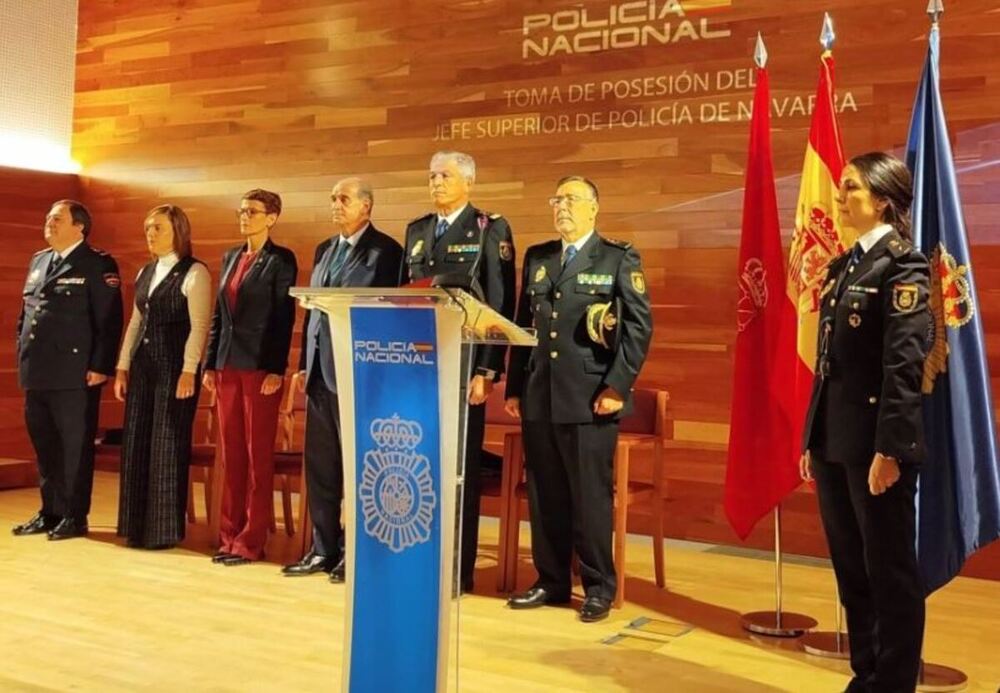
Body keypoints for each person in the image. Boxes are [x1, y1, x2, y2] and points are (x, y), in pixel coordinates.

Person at [799, 152, 930, 692]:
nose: (839, 194)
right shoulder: (845, 265)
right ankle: (867, 673)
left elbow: (904, 365)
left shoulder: (903, 265)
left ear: (880, 199)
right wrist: (813, 436)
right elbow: (828, 365)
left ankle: (894, 682)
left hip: (876, 443)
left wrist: (890, 449)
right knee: (851, 569)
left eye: (849, 186)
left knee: (889, 572)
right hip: (835, 438)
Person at [504, 176, 652, 622]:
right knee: (545, 494)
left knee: (589, 498)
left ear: (593, 208)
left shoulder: (617, 257)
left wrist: (617, 387)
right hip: (540, 396)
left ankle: (598, 587)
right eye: (556, 200)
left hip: (590, 398)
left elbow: (638, 328)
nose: (561, 207)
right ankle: (550, 580)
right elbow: (522, 325)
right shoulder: (539, 257)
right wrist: (514, 386)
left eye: (571, 200)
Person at [400, 150, 516, 592]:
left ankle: (455, 569)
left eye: (445, 175)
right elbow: (400, 295)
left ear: (469, 181)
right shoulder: (417, 230)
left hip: (465, 362)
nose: (436, 183)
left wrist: (487, 370)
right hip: (417, 363)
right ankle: (418, 558)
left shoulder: (490, 228)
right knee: (420, 463)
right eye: (431, 176)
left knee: (458, 468)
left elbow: (499, 302)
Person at [282, 177, 402, 582]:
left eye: (344, 199)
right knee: (322, 468)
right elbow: (313, 312)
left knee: (359, 469)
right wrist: (303, 363)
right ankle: (322, 548)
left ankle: (356, 554)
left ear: (366, 207)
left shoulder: (386, 251)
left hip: (360, 373)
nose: (336, 205)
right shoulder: (324, 248)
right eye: (333, 198)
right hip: (319, 370)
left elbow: (388, 313)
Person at [12, 200, 124, 540]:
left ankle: (74, 516)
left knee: (74, 447)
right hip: (38, 369)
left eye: (57, 219)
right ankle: (50, 511)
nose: (49, 223)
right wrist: (22, 351)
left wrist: (100, 365)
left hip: (76, 373)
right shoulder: (39, 260)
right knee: (45, 444)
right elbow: (26, 315)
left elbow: (109, 320)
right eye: (47, 218)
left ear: (80, 227)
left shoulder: (97, 263)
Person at [203, 189, 297, 566]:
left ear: (272, 217)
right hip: (227, 366)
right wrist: (210, 362)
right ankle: (228, 536)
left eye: (252, 211)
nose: (244, 217)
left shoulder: (280, 259)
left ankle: (251, 540)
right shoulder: (230, 256)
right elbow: (218, 315)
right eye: (241, 210)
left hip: (260, 368)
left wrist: (277, 368)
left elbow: (282, 317)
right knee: (232, 453)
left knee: (258, 456)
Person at [114, 204, 212, 549]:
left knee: (166, 445)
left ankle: (163, 531)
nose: (151, 234)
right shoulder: (145, 271)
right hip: (143, 367)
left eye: (158, 228)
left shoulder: (195, 273)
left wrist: (189, 370)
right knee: (138, 442)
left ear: (177, 232)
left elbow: (200, 326)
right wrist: (122, 366)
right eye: (148, 228)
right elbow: (135, 323)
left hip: (174, 367)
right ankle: (136, 527)